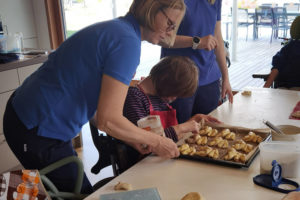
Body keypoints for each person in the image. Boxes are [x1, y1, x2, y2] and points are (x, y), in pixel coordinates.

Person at [3, 0, 186, 194]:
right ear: (151, 9)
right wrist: (156, 141)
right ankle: (10, 192)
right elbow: (108, 120)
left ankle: (14, 192)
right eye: (170, 24)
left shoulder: (117, 30)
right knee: (80, 193)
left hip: (25, 113)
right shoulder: (126, 42)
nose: (170, 32)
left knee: (46, 184)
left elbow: (100, 110)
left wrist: (134, 139)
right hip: (35, 125)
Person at [123, 56, 221, 166]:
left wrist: (193, 120)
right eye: (175, 93)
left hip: (165, 160)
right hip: (144, 165)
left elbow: (167, 135)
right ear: (165, 80)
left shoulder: (159, 95)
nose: (174, 98)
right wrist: (182, 127)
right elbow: (148, 144)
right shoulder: (135, 97)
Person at [160, 0, 233, 124]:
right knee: (180, 133)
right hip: (178, 78)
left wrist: (226, 77)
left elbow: (217, 37)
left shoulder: (215, 1)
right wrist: (196, 42)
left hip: (209, 79)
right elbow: (162, 38)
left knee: (208, 132)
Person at [264, 16, 300, 90]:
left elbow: (276, 67)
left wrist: (264, 89)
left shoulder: (288, 47)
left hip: (282, 89)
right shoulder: (289, 47)